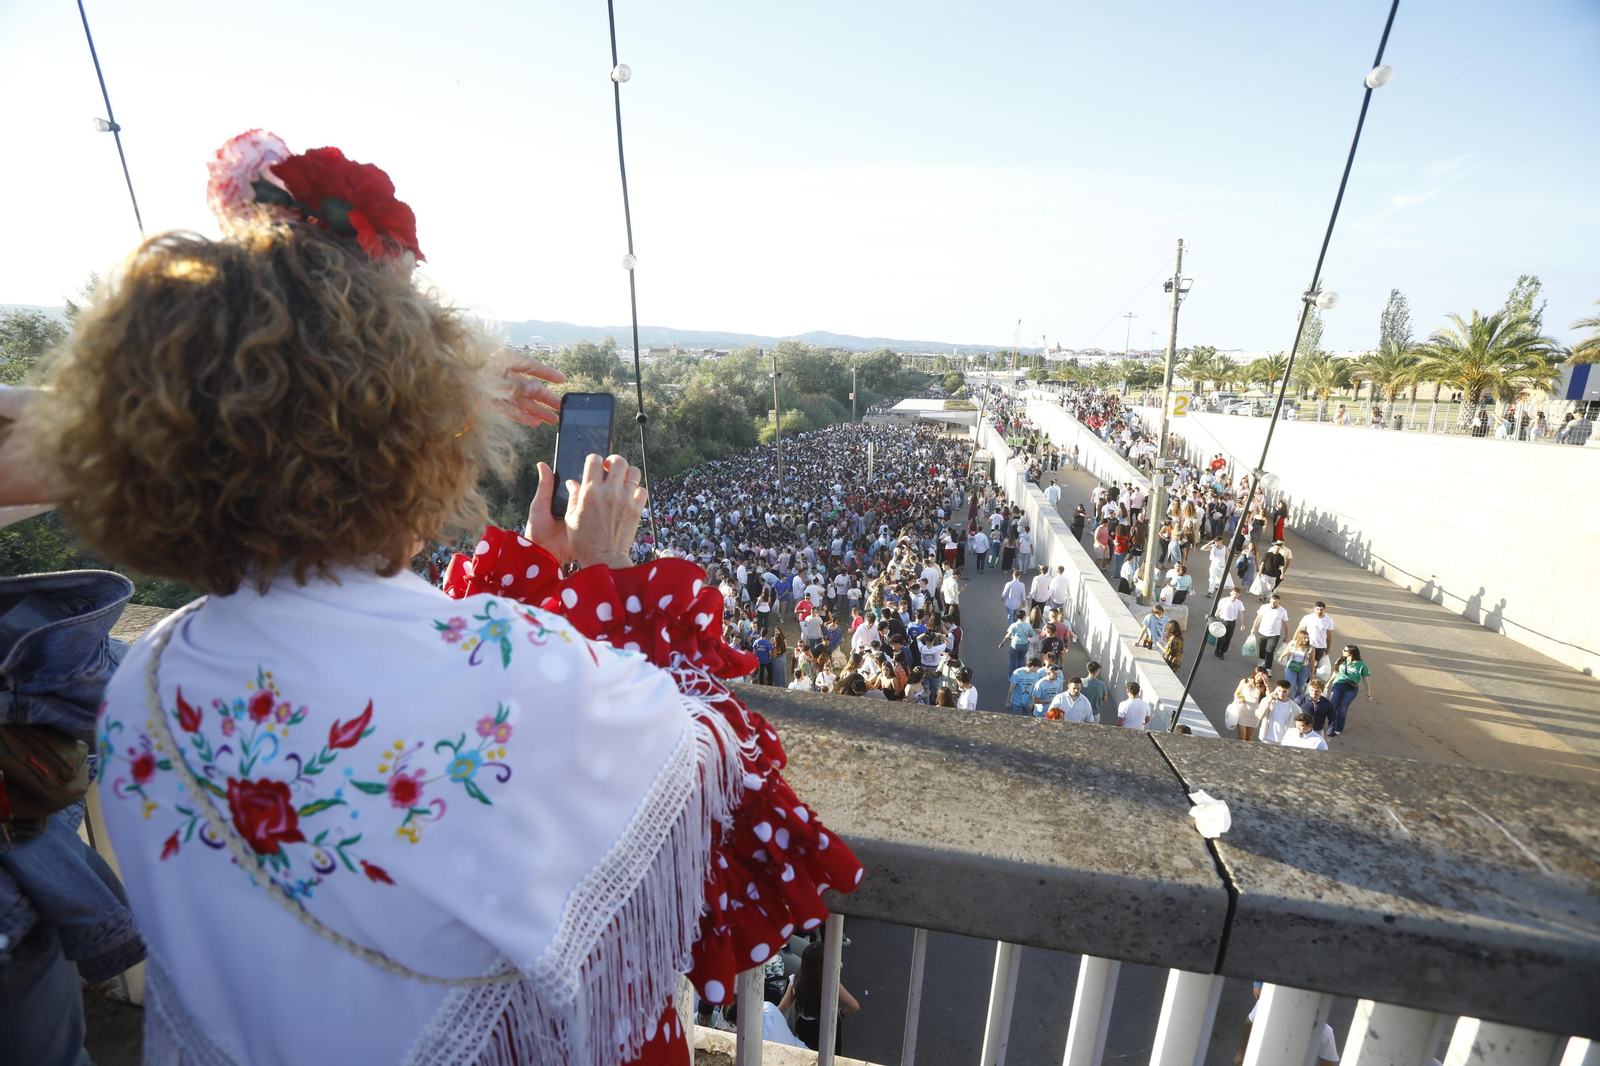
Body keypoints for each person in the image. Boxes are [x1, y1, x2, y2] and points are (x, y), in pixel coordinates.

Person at [0, 136, 864, 1066]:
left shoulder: (148, 675)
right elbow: (721, 787)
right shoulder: (510, 660)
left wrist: (537, 580)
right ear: (415, 440)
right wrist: (603, 578)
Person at [779, 940, 861, 1054]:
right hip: (828, 1025)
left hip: (805, 1028)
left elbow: (782, 1009)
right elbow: (854, 1006)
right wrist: (840, 1013)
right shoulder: (831, 983)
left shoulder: (796, 982)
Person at [1327, 644, 1375, 737]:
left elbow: (1365, 679)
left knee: (1343, 708)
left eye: (1345, 650)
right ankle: (1332, 724)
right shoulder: (1341, 660)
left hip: (1351, 688)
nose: (1343, 651)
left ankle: (1338, 728)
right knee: (1333, 706)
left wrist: (1369, 694)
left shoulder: (1361, 664)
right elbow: (1336, 671)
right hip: (1338, 685)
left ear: (1351, 653)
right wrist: (1329, 682)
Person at [1250, 592, 1290, 669]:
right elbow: (1258, 618)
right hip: (1262, 632)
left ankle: (1268, 668)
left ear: (1279, 603)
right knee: (1262, 647)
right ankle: (1261, 659)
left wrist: (1287, 636)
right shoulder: (1264, 607)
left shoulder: (1283, 611)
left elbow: (1285, 624)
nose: (1272, 604)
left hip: (1274, 634)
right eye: (1271, 602)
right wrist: (1253, 628)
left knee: (1270, 650)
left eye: (1275, 603)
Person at [1297, 601, 1335, 669]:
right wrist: (1295, 641)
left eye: (1321, 609)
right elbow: (1299, 630)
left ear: (1324, 609)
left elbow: (1329, 635)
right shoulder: (1308, 617)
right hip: (1308, 644)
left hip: (1321, 646)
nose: (1319, 611)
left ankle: (1310, 677)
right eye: (1317, 609)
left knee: (1314, 665)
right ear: (1314, 608)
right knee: (1304, 662)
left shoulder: (1329, 620)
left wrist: (1329, 648)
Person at [1257, 679, 1297, 744]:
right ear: (1276, 689)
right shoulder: (1266, 700)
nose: (1281, 694)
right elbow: (1260, 716)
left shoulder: (1295, 708)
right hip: (1267, 738)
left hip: (1284, 740)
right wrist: (1268, 702)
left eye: (1284, 691)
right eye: (1279, 691)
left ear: (1289, 691)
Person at [1232, 669, 1268, 741]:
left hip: (1254, 716)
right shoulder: (1245, 681)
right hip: (1243, 712)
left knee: (1249, 738)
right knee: (1242, 737)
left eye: (1262, 676)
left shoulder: (1264, 686)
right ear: (1255, 674)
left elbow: (1269, 696)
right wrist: (1240, 699)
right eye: (1258, 675)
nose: (1260, 678)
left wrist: (1267, 684)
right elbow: (1237, 693)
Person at [1278, 628, 1314, 698]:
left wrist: (1312, 672)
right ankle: (1289, 701)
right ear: (1299, 638)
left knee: (1300, 687)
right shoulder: (1292, 644)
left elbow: (1312, 660)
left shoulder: (1310, 648)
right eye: (1304, 638)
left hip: (1304, 668)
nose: (1306, 640)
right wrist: (1281, 657)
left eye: (1307, 638)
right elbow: (1287, 651)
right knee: (1290, 685)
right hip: (1292, 666)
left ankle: (1298, 701)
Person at [1214, 586, 1245, 658]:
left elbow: (1240, 613)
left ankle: (1222, 652)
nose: (1235, 596)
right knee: (1221, 638)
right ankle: (1217, 649)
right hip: (1222, 621)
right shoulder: (1223, 600)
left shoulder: (1239, 603)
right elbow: (1219, 610)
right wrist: (1215, 618)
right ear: (1230, 593)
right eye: (1234, 594)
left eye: (1237, 595)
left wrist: (1242, 623)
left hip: (1232, 622)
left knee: (1228, 638)